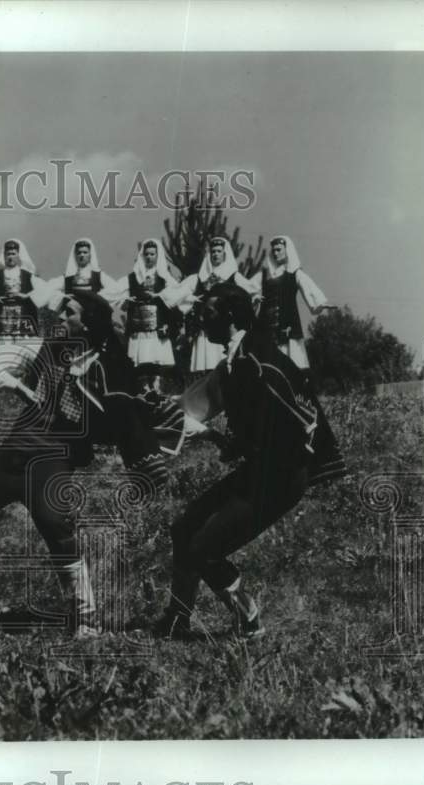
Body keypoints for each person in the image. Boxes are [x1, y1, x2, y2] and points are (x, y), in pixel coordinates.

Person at [0, 290, 174, 639]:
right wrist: (13, 384)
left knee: (57, 531)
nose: (61, 318)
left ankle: (86, 617)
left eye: (70, 313)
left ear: (89, 322)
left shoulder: (111, 366)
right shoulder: (49, 350)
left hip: (52, 458)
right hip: (12, 451)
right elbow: (34, 391)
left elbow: (122, 416)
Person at [154, 283, 346, 639]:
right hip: (262, 469)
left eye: (208, 314)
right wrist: (219, 438)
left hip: (281, 476)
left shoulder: (257, 360)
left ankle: (250, 619)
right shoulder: (236, 359)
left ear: (228, 317)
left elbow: (302, 420)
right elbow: (217, 413)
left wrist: (310, 465)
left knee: (203, 548)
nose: (201, 320)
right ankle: (177, 618)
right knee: (183, 530)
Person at [180, 236, 261, 375]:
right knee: (203, 369)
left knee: (223, 366)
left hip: (223, 330)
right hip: (204, 331)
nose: (216, 254)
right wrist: (192, 299)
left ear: (225, 254)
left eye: (219, 251)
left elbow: (251, 291)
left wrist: (255, 299)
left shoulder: (233, 276)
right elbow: (178, 294)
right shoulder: (200, 278)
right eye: (213, 251)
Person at [259, 235, 334, 370]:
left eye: (279, 250)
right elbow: (249, 288)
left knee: (293, 364)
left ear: (287, 250)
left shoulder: (294, 273)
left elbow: (308, 288)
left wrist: (318, 304)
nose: (276, 253)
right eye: (274, 251)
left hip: (288, 326)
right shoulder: (265, 276)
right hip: (268, 329)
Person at [124, 238, 181, 391]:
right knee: (142, 361)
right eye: (146, 254)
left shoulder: (164, 277)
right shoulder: (133, 277)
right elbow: (116, 294)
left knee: (156, 361)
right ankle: (144, 392)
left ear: (157, 255)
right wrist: (127, 299)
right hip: (139, 326)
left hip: (157, 325)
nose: (149, 257)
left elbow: (177, 294)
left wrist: (160, 296)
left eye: (152, 254)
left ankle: (156, 392)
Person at [0, 238, 40, 341]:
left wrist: (25, 295)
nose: (10, 257)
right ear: (4, 255)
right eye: (8, 254)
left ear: (18, 255)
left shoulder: (26, 275)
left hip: (22, 313)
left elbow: (41, 289)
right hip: (3, 313)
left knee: (22, 343)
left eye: (13, 254)